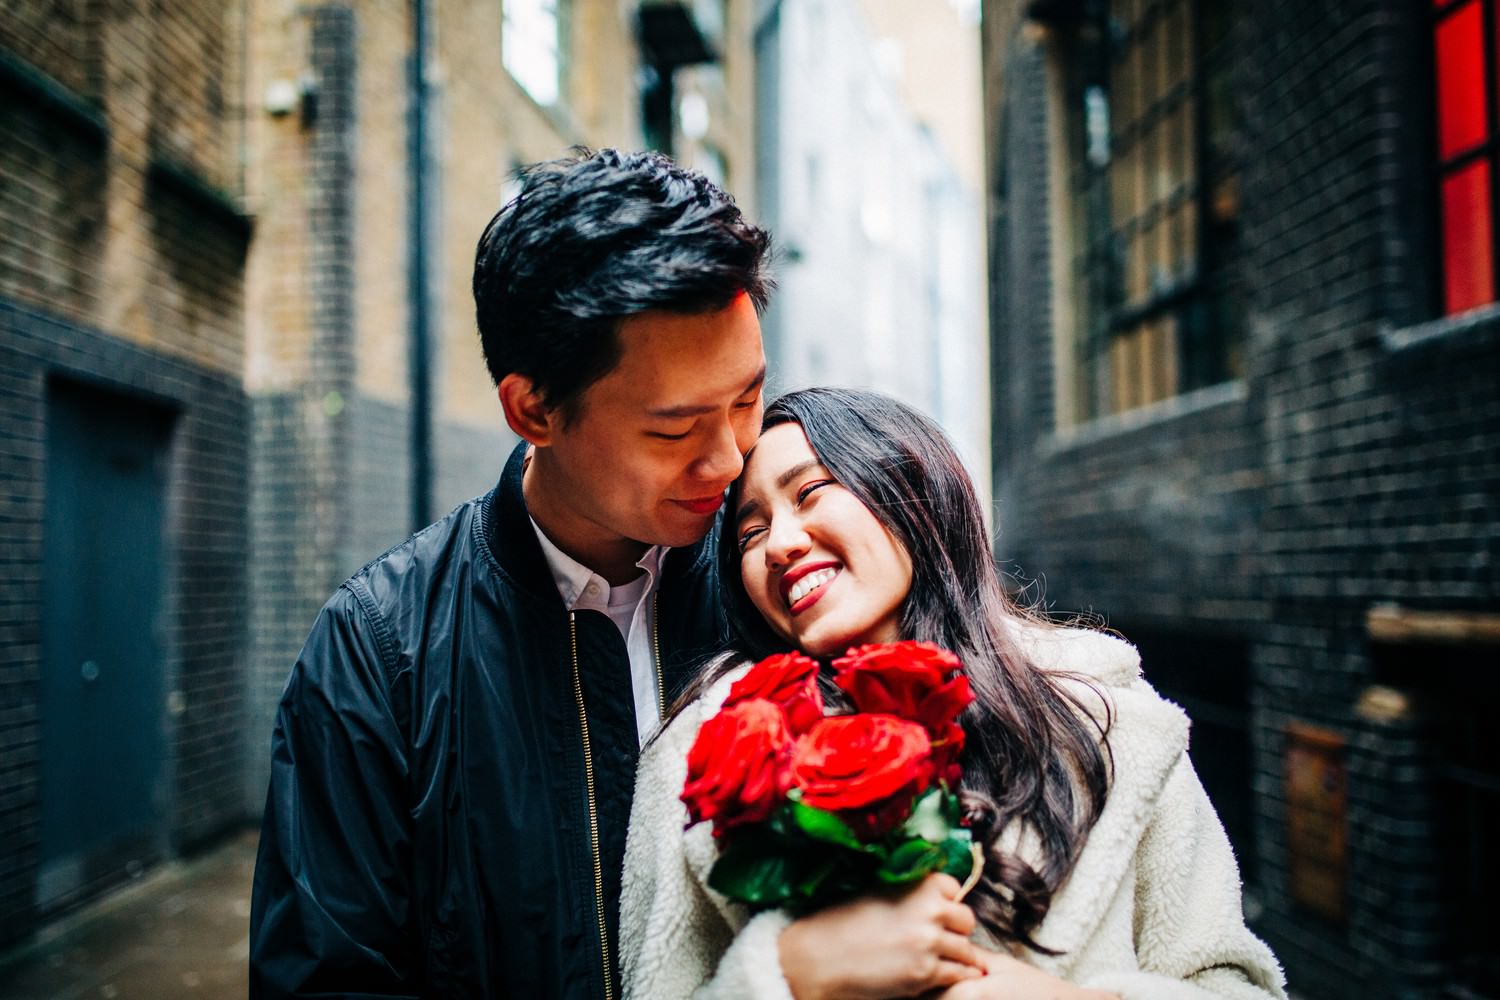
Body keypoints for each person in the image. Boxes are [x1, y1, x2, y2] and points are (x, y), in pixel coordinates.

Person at [249, 148, 772, 998]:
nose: (728, 458)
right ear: (534, 408)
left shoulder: (777, 582)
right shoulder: (382, 653)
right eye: (674, 430)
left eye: (748, 399)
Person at [620, 387, 1286, 1000]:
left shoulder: (1112, 722)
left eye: (811, 491)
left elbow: (1235, 983)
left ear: (912, 494)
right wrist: (790, 971)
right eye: (751, 531)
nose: (781, 544)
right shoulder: (708, 750)